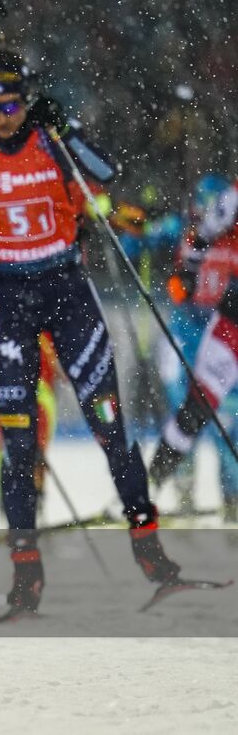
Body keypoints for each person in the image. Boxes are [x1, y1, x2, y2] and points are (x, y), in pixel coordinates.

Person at [0, 48, 182, 617]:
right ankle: (26, 577)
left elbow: (105, 173)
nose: (3, 114)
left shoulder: (49, 137)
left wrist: (64, 125)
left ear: (27, 96)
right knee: (17, 444)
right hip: (6, 298)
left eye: (13, 102)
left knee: (108, 423)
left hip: (67, 291)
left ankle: (151, 550)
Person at [149, 174, 238, 523]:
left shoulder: (230, 239)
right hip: (193, 331)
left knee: (226, 422)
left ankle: (231, 497)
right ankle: (174, 488)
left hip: (222, 329)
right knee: (187, 410)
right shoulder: (193, 238)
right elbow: (178, 287)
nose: (203, 214)